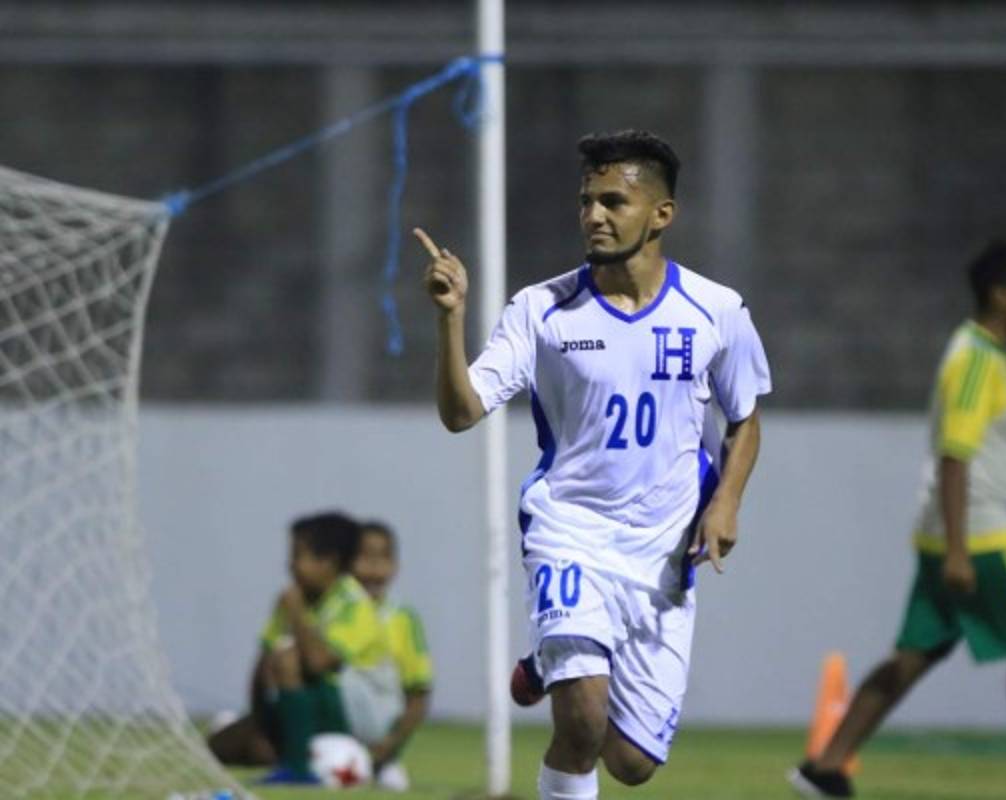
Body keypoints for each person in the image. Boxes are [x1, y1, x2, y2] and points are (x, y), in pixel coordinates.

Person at [419, 129, 771, 800]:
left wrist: (726, 503)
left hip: (660, 551)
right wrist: (450, 318)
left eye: (613, 201)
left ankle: (545, 661)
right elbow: (460, 412)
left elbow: (745, 418)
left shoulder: (717, 311)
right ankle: (566, 659)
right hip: (570, 533)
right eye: (586, 201)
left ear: (661, 214)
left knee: (632, 763)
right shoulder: (541, 309)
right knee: (581, 721)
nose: (594, 216)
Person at [789, 242, 1006, 800]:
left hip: (951, 529)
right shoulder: (976, 360)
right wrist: (959, 549)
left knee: (915, 654)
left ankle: (826, 767)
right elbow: (955, 456)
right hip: (981, 532)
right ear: (1000, 295)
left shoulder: (982, 354)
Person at [208, 511, 394, 786]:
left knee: (289, 655)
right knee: (218, 747)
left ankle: (298, 767)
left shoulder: (354, 605)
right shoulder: (294, 598)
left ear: (329, 562)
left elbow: (318, 663)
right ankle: (286, 748)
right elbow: (262, 662)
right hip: (309, 703)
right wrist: (260, 721)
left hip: (357, 714)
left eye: (298, 556)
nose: (291, 565)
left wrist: (296, 612)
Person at [352, 520, 435, 793]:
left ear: (395, 565)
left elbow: (419, 692)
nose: (373, 568)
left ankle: (381, 765)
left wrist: (387, 746)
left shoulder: (402, 618)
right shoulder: (334, 611)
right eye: (364, 557)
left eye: (382, 558)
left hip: (381, 741)